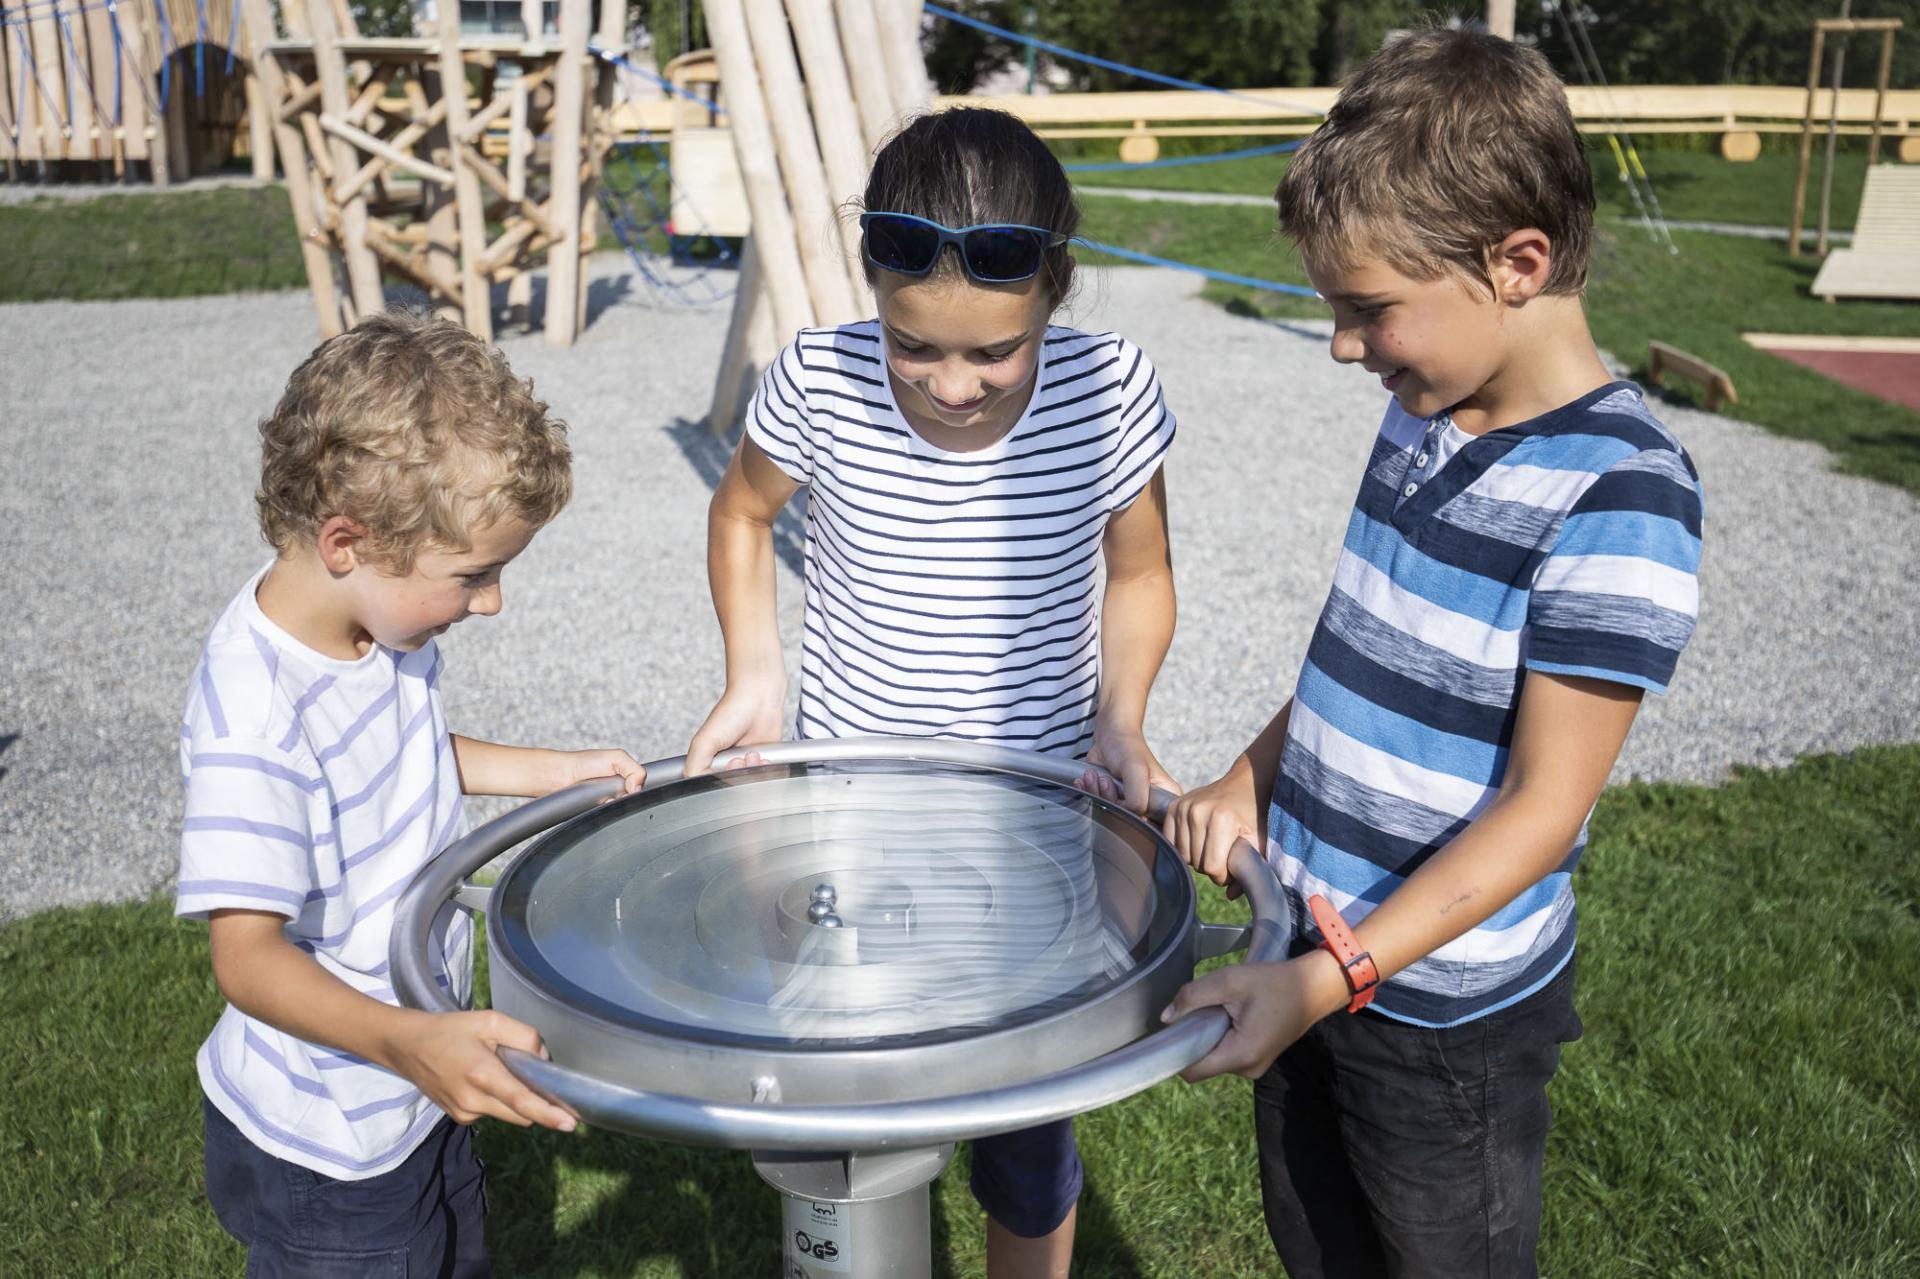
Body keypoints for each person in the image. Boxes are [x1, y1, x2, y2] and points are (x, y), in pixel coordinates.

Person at [1161, 28, 1705, 1279]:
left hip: (1441, 1022)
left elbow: (1542, 812)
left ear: (1515, 263)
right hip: (1308, 948)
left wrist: (1335, 974)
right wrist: (1254, 772)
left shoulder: (1620, 495)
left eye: (1369, 310)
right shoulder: (1426, 416)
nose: (1345, 346)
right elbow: (1360, 652)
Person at [686, 107, 1178, 1278]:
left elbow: (1142, 570)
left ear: (1053, 294)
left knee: (1025, 1123)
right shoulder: (820, 376)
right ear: (876, 296)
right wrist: (754, 676)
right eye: (917, 346)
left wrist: (1125, 718)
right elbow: (742, 513)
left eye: (992, 352)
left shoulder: (1109, 389)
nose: (952, 384)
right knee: (851, 1105)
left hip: (1035, 820)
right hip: (850, 816)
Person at [175, 312, 645, 1277]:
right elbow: (245, 956)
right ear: (347, 541)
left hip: (411, 1077)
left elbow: (408, 751)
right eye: (474, 576)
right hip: (331, 1130)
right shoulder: (254, 715)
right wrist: (408, 1038)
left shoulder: (376, 630)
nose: (492, 602)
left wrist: (551, 772)